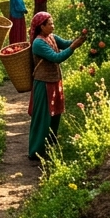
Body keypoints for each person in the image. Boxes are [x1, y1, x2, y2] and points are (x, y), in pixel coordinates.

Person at [27, 11, 85, 160]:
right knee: (43, 118)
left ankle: (49, 146)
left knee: (55, 116)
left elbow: (66, 43)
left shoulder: (51, 37)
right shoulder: (38, 43)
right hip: (43, 84)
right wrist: (74, 47)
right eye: (50, 24)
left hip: (54, 81)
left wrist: (82, 37)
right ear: (42, 26)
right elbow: (56, 58)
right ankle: (36, 151)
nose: (53, 26)